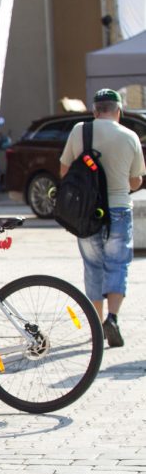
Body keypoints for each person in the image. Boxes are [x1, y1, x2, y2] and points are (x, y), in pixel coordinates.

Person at [58, 88, 145, 347]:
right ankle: (113, 318)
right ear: (118, 112)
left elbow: (64, 171)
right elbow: (136, 180)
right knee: (118, 264)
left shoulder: (80, 131)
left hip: (86, 212)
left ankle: (96, 325)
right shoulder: (130, 136)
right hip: (119, 208)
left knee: (93, 265)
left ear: (95, 111)